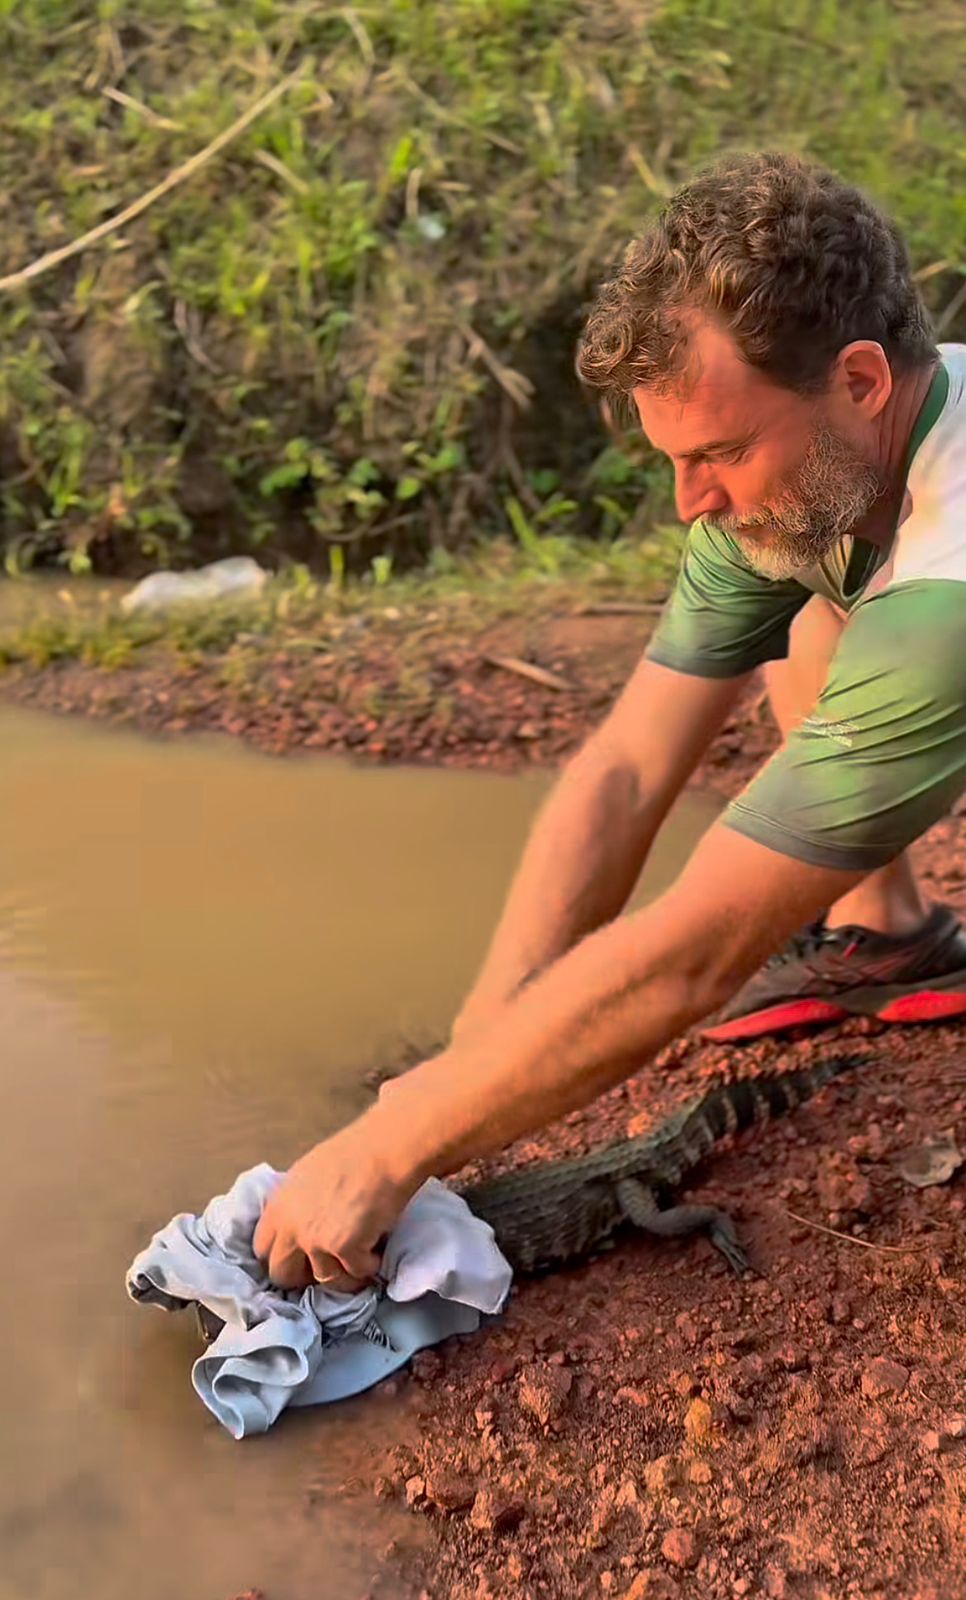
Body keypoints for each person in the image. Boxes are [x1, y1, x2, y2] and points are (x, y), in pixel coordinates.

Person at [254, 151, 966, 1290]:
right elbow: (630, 768)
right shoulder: (844, 459)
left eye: (722, 453)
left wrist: (400, 1141)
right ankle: (885, 933)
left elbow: (692, 955)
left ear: (864, 381)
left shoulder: (948, 592)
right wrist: (472, 1050)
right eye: (677, 459)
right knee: (810, 587)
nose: (692, 502)